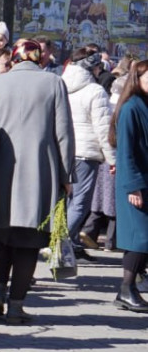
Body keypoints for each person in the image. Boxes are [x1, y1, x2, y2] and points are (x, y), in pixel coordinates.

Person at [0, 39, 74, 325]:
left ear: (15, 58)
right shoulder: (53, 83)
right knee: (29, 241)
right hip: (40, 171)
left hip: (0, 172)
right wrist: (66, 175)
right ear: (38, 58)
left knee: (3, 235)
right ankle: (16, 305)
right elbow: (64, 134)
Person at [63, 48, 115, 261]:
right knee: (81, 203)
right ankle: (58, 241)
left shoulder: (61, 85)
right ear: (92, 66)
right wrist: (112, 159)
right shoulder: (95, 91)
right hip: (86, 153)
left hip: (65, 150)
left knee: (67, 201)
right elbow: (103, 129)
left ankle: (69, 246)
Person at [109, 59, 148, 313]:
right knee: (138, 238)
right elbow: (125, 152)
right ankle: (126, 288)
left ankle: (129, 288)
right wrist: (133, 186)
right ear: (138, 79)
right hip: (135, 183)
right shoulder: (131, 108)